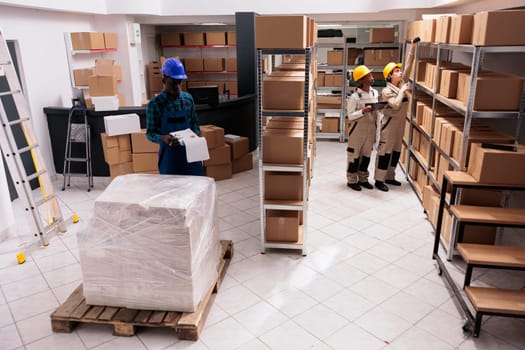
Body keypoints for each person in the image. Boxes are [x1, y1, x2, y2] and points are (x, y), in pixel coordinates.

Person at [373, 37, 419, 192]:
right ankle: (379, 179)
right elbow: (395, 104)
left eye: (399, 71)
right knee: (385, 151)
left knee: (396, 151)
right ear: (389, 76)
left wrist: (412, 47)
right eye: (396, 71)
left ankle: (390, 176)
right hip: (389, 124)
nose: (400, 73)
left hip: (400, 124)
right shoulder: (387, 91)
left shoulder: (401, 83)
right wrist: (403, 91)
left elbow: (409, 65)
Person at [146, 57, 205, 176]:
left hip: (191, 156)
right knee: (174, 192)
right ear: (164, 80)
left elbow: (194, 124)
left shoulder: (188, 99)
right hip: (170, 160)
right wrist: (163, 138)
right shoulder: (155, 105)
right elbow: (150, 133)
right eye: (173, 82)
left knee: (195, 190)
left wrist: (195, 137)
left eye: (179, 82)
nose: (177, 87)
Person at [345, 65, 380, 191]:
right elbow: (350, 116)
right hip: (357, 131)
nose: (372, 78)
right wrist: (362, 111)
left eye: (371, 75)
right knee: (354, 156)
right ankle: (352, 180)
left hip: (371, 129)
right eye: (368, 76)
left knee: (366, 155)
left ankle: (363, 179)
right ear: (361, 80)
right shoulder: (355, 97)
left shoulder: (375, 93)